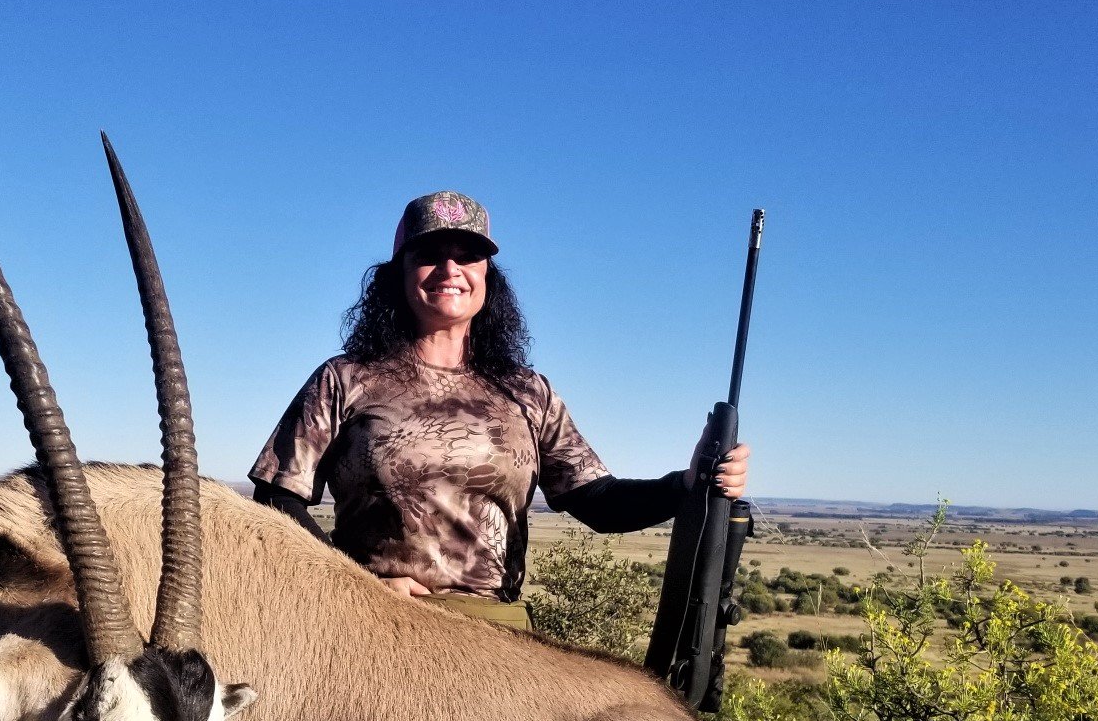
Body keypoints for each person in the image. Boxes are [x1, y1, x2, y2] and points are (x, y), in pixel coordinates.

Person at [249, 190, 749, 630]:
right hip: (371, 623)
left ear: (488, 275)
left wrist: (685, 484)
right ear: (398, 273)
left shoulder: (527, 392)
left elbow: (596, 499)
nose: (450, 270)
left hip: (497, 636)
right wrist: (355, 583)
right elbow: (277, 498)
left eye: (468, 256)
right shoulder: (346, 378)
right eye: (429, 254)